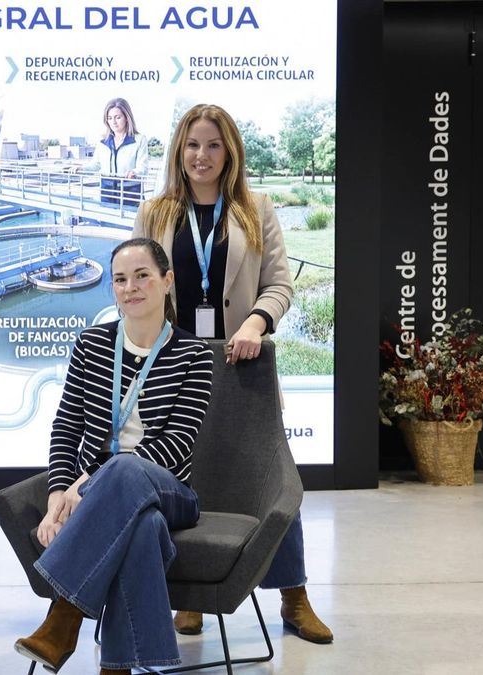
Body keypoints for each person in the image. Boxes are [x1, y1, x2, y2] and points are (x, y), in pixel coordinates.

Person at [132, 103, 332, 644]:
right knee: (177, 478)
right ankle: (190, 597)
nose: (202, 155)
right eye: (193, 145)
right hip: (172, 367)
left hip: (242, 366)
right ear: (179, 151)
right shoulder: (155, 213)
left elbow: (281, 285)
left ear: (230, 152)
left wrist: (256, 323)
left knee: (272, 480)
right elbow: (139, 284)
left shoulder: (255, 210)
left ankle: (294, 597)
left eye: (213, 145)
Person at [13, 238, 214, 675]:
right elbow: (66, 428)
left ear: (167, 281)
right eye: (121, 279)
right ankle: (117, 668)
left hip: (170, 490)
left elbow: (176, 444)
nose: (131, 287)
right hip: (118, 500)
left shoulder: (193, 355)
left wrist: (86, 486)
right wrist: (57, 493)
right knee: (143, 528)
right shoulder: (91, 346)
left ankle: (63, 617)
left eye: (142, 275)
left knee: (125, 469)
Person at [97, 98, 150, 211]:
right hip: (107, 195)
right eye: (110, 118)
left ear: (127, 117)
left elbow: (143, 167)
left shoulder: (139, 140)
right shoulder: (102, 141)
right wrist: (80, 168)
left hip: (130, 195)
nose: (113, 122)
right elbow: (95, 164)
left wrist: (134, 172)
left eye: (118, 117)